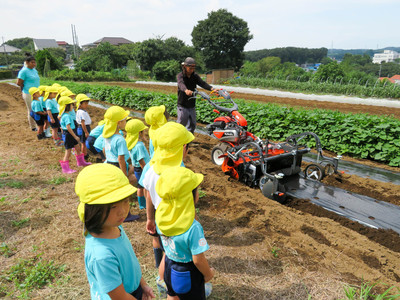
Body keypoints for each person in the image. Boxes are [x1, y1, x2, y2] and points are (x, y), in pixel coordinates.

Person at [75, 163, 155, 300]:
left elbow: (131, 262)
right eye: (113, 206)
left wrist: (142, 285)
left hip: (130, 291)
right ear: (93, 210)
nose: (122, 211)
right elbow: (119, 297)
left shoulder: (114, 227)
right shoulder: (101, 256)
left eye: (125, 201)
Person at [140, 122, 194, 295]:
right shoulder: (180, 169)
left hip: (159, 218)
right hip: (178, 219)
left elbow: (148, 195)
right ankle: (176, 285)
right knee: (175, 255)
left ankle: (161, 279)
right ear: (183, 148)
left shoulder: (150, 168)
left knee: (166, 251)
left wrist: (150, 218)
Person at [155, 167, 214, 300]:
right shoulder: (193, 228)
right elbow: (198, 260)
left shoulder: (161, 218)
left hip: (169, 267)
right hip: (187, 274)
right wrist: (208, 274)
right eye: (196, 190)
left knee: (172, 294)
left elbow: (164, 248)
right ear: (189, 196)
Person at [103, 106, 138, 222]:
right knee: (123, 190)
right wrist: (124, 175)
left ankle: (110, 211)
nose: (125, 122)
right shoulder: (120, 139)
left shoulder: (107, 135)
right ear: (119, 123)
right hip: (118, 166)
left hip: (109, 164)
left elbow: (104, 150)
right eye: (124, 120)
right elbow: (121, 159)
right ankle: (126, 215)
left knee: (113, 189)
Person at [177, 57, 214, 134]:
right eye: (190, 68)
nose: (192, 70)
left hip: (191, 105)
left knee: (192, 125)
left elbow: (202, 83)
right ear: (185, 67)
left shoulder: (195, 76)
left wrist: (212, 88)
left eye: (193, 68)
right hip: (183, 105)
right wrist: (186, 90)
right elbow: (181, 84)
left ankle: (187, 142)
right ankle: (176, 139)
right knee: (181, 124)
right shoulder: (180, 76)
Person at [58, 96, 91, 174]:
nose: (73, 106)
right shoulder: (67, 116)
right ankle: (65, 169)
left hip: (70, 133)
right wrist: (75, 136)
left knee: (77, 147)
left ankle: (81, 162)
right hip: (69, 134)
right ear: (67, 106)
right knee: (68, 151)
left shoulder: (65, 115)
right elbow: (68, 127)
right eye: (72, 105)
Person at [125, 119, 150, 210]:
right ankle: (145, 204)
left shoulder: (131, 143)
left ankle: (142, 204)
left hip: (137, 168)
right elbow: (141, 160)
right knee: (144, 186)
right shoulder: (139, 146)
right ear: (140, 133)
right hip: (142, 168)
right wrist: (146, 171)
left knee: (140, 186)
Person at [16, 53, 40, 131]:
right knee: (31, 109)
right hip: (28, 93)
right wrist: (25, 88)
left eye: (34, 62)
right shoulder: (23, 71)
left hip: (37, 93)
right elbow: (19, 83)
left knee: (37, 109)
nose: (34, 64)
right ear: (27, 62)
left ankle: (38, 124)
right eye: (32, 62)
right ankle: (33, 126)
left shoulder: (34, 70)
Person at [75, 94, 92, 159]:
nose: (87, 105)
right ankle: (84, 155)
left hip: (81, 128)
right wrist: (86, 132)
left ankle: (84, 154)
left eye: (87, 103)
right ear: (80, 104)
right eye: (85, 103)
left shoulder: (80, 111)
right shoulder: (82, 112)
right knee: (83, 143)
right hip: (84, 128)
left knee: (83, 142)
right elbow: (83, 123)